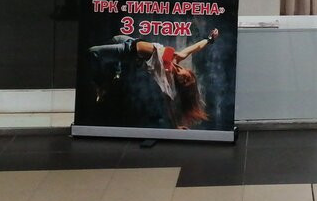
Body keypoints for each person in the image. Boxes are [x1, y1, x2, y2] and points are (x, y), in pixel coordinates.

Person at [89, 29, 219, 128]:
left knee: (93, 52)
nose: (184, 77)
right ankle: (116, 71)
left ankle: (99, 85)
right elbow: (196, 47)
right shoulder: (177, 57)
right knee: (114, 39)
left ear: (180, 84)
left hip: (129, 52)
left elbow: (169, 104)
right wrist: (210, 39)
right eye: (188, 76)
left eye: (184, 81)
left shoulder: (167, 81)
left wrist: (176, 126)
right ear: (188, 71)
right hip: (133, 41)